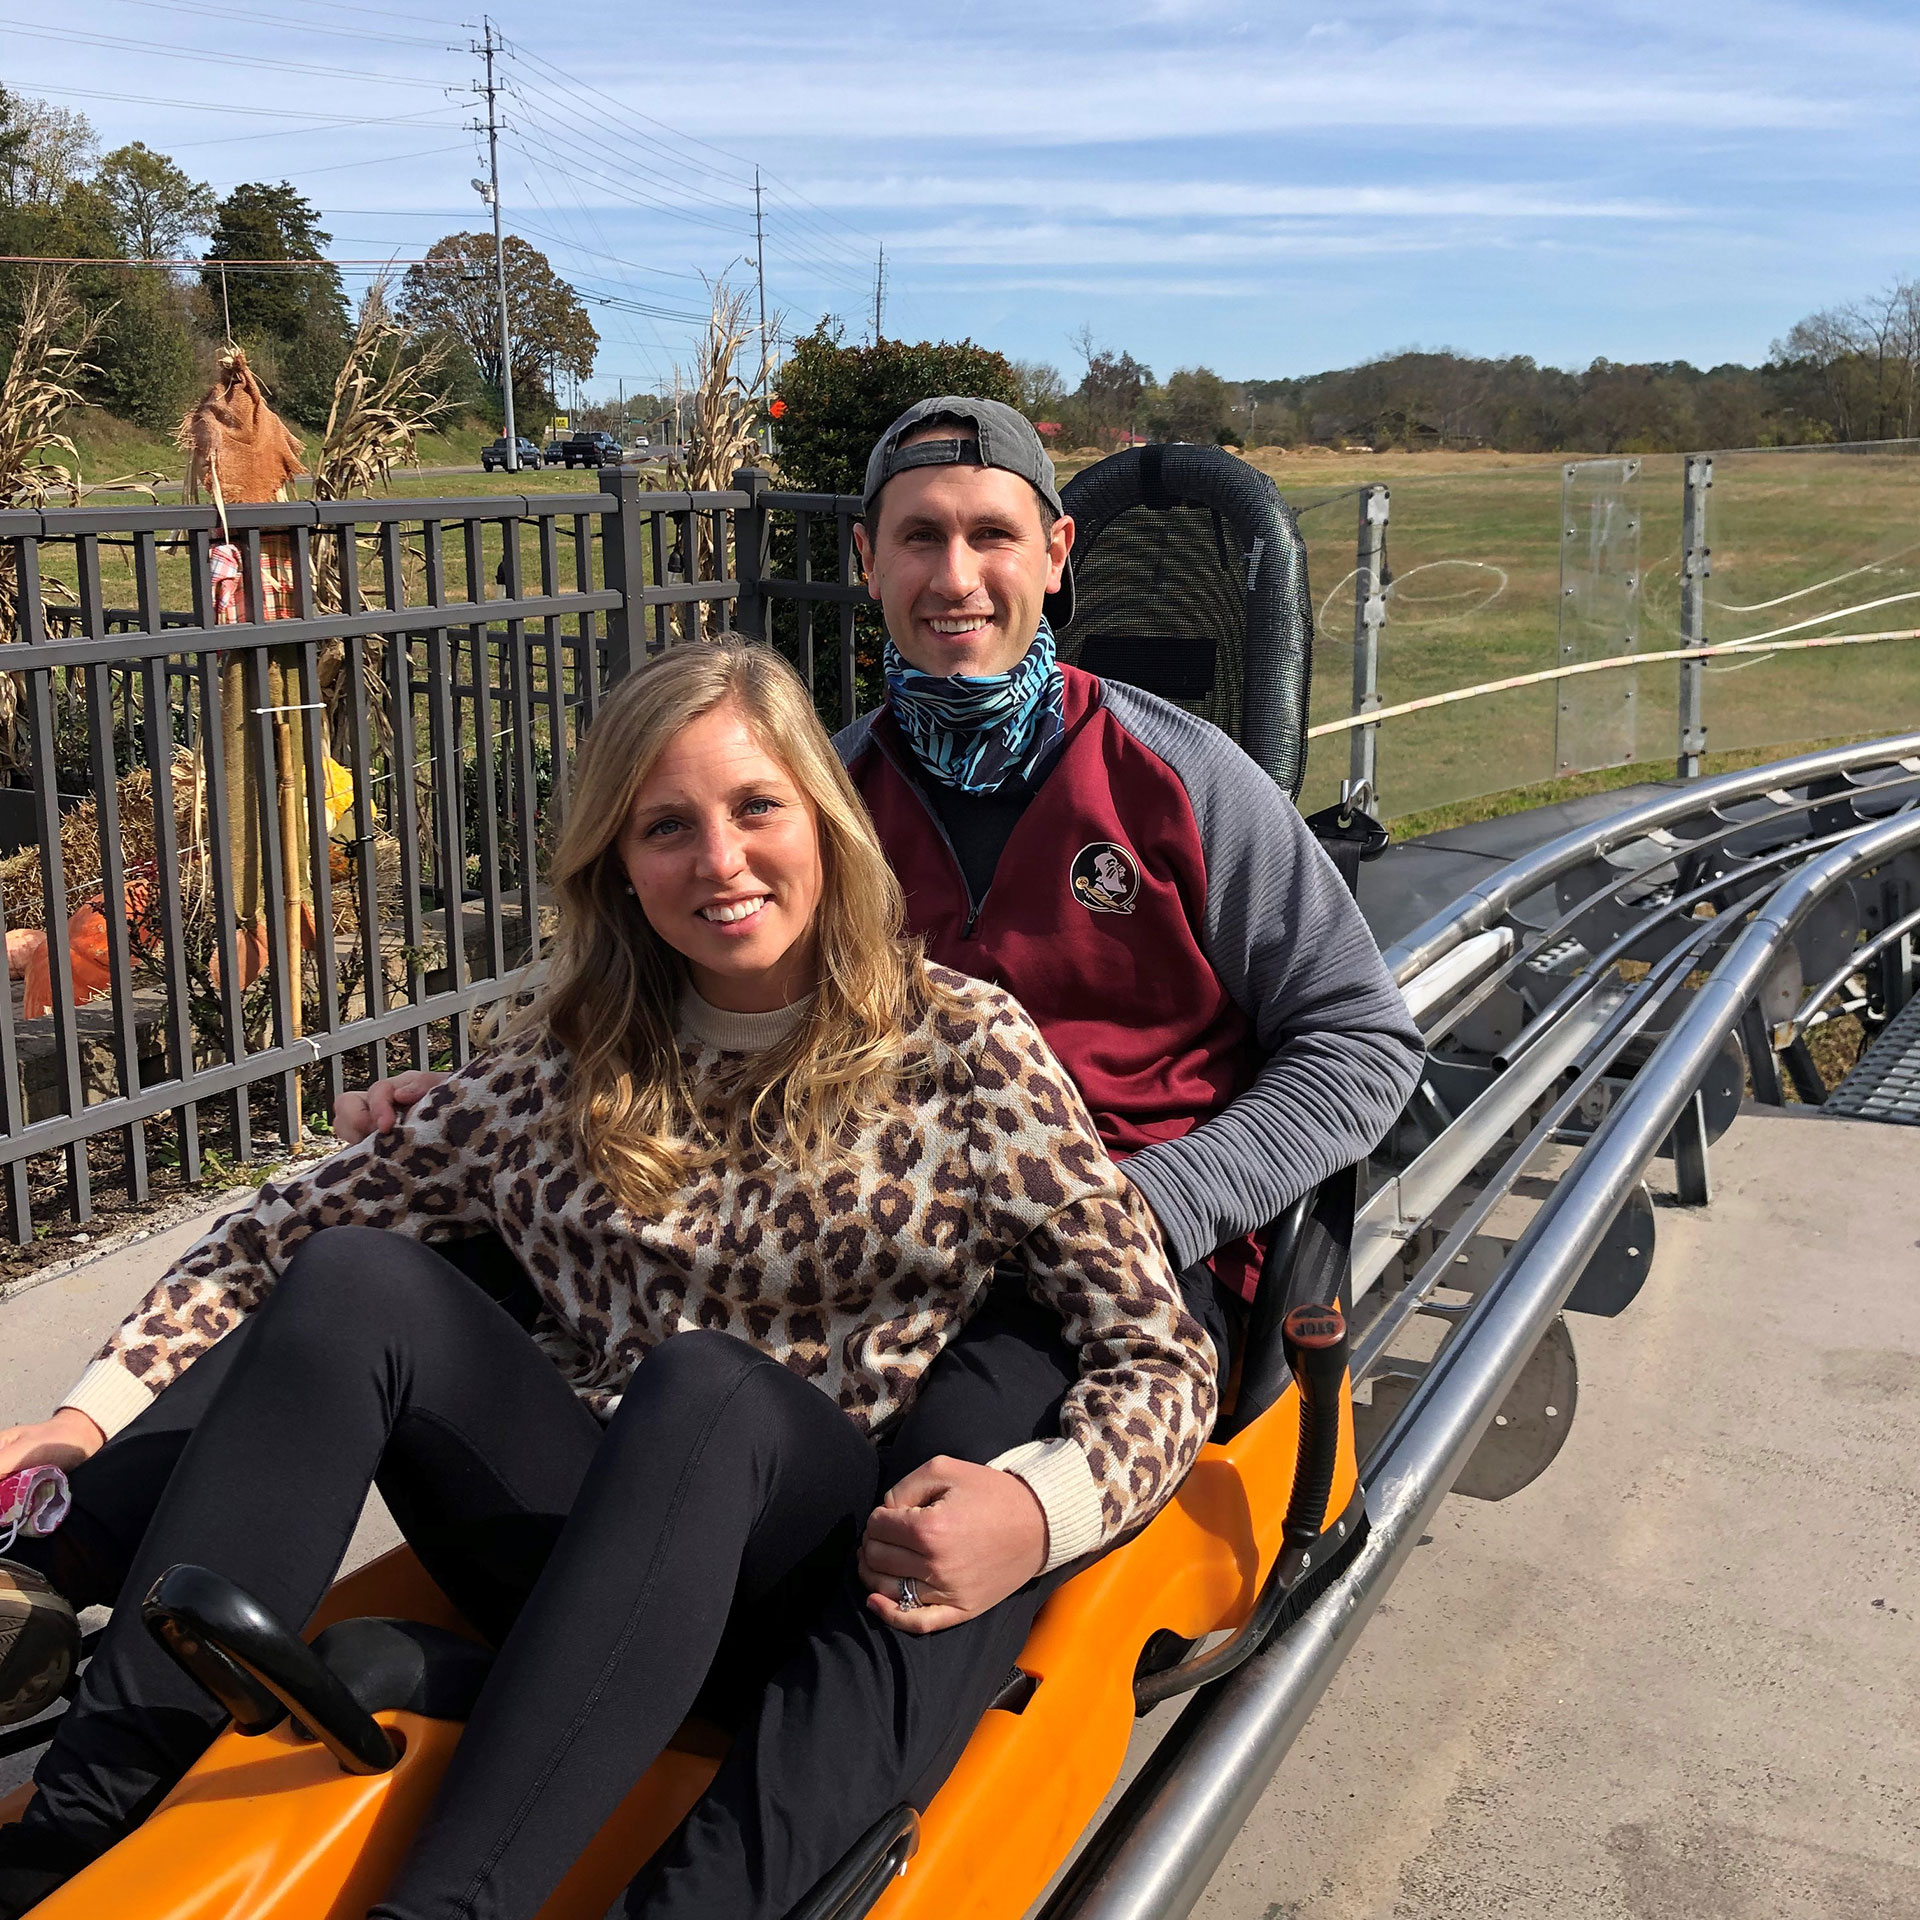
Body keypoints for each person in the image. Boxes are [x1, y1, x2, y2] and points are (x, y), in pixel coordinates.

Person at [328, 397, 1428, 1911]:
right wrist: (455, 1108)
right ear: (868, 561)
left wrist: (1147, 1200)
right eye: (921, 537)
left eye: (990, 535)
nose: (955, 573)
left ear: (1057, 556)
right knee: (415, 1256)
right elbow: (658, 1001)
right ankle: (108, 1587)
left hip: (1099, 1268)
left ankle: (731, 1881)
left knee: (957, 1463)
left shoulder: (1181, 780)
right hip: (860, 1235)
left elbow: (1363, 1042)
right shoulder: (820, 801)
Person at [0, 642, 1216, 1918]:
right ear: (621, 869)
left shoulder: (963, 1049)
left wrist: (1044, 1509)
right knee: (355, 1277)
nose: (722, 861)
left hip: (803, 1575)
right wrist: (87, 1418)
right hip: (579, 1550)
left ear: (824, 820)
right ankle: (85, 1823)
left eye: (757, 808)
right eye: (668, 828)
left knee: (705, 1392)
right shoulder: (564, 1065)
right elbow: (272, 1234)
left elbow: (1155, 1348)